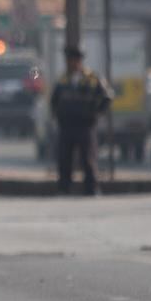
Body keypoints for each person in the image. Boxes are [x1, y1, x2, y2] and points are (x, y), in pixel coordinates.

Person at [50, 45, 112, 195]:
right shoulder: (63, 80)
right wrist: (58, 116)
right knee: (64, 159)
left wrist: (96, 113)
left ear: (79, 61)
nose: (72, 63)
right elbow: (54, 101)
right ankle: (64, 189)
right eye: (69, 60)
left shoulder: (91, 78)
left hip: (85, 125)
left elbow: (107, 96)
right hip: (66, 126)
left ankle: (91, 188)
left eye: (74, 60)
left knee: (88, 159)